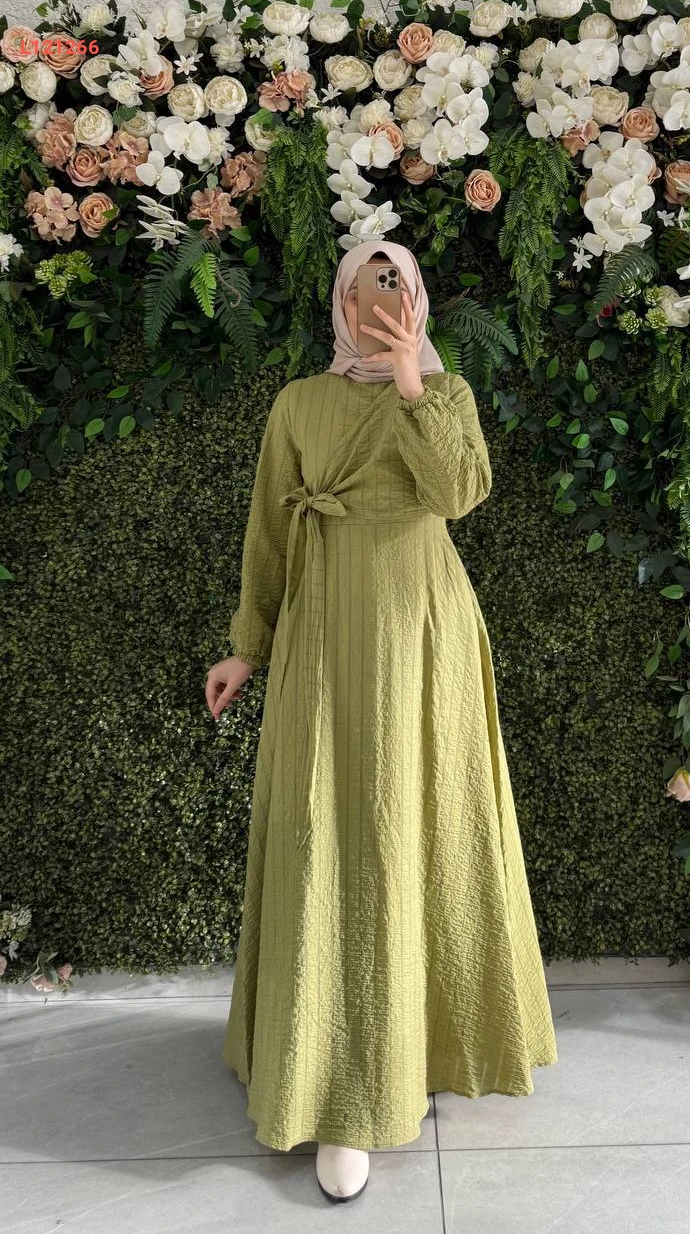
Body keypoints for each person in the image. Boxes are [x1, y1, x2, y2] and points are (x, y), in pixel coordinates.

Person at [205, 239, 558, 1203]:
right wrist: (247, 645)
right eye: (367, 284)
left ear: (420, 300)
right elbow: (269, 529)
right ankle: (331, 1077)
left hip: (422, 633)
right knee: (327, 833)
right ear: (341, 300)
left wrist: (412, 383)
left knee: (425, 825)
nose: (382, 299)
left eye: (397, 282)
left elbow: (458, 495)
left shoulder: (445, 394)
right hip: (323, 628)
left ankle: (425, 1041)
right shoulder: (298, 404)